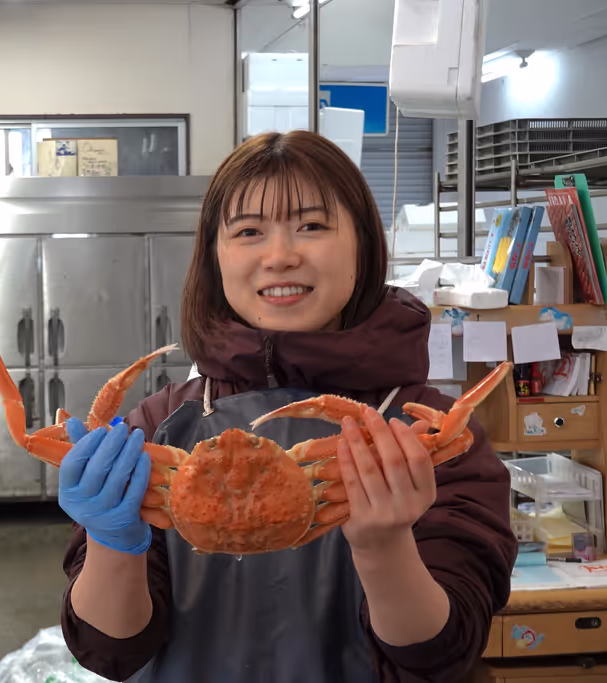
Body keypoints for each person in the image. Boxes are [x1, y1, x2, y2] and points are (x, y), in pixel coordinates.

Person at [57, 131, 518, 682]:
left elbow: (446, 653)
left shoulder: (428, 437)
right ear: (215, 257)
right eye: (249, 231)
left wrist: (384, 547)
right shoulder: (153, 430)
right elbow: (112, 652)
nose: (280, 256)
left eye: (312, 226)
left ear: (364, 245)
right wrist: (112, 543)